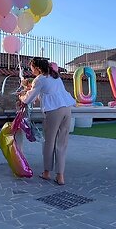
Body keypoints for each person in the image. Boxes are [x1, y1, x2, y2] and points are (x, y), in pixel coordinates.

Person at [19, 57, 75, 185]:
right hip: (67, 109)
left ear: (37, 68)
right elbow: (46, 92)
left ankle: (46, 172)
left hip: (54, 112)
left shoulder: (39, 80)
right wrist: (30, 87)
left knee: (49, 142)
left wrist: (21, 96)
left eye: (32, 67)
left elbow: (28, 99)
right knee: (61, 143)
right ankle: (60, 176)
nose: (31, 69)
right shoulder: (55, 76)